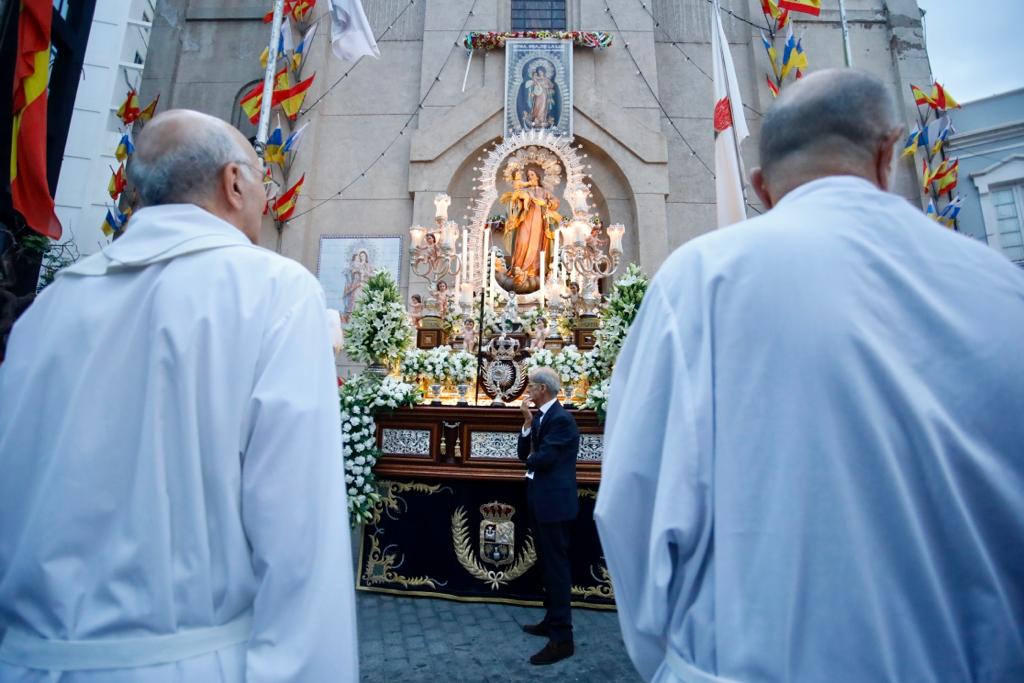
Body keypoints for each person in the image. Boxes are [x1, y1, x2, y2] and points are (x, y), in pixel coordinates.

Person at [595, 68, 1024, 683]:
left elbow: (632, 504)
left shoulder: (701, 280)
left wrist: (678, 663)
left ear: (761, 186)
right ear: (888, 152)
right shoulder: (1005, 288)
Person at [0, 110, 358, 682]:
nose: (266, 197)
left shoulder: (51, 307)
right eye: (263, 178)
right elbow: (299, 543)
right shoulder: (276, 293)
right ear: (234, 182)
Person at [517, 367, 579, 666]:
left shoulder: (562, 421)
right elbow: (523, 454)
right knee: (546, 565)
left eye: (531, 385)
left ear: (542, 389)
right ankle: (551, 620)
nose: (527, 389)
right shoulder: (541, 417)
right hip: (541, 500)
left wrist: (531, 457)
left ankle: (563, 639)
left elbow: (543, 460)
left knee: (556, 568)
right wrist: (528, 424)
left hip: (554, 504)